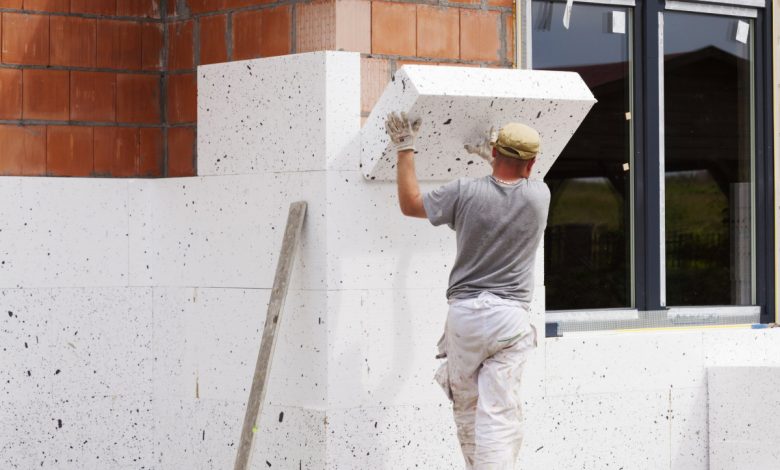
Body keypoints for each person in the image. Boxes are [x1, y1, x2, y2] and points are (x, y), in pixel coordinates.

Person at [385, 112, 551, 469]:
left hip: (465, 319)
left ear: (494, 153)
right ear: (532, 164)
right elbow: (516, 179)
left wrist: (405, 148)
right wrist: (490, 153)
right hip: (509, 320)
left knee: (468, 410)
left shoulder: (463, 193)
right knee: (500, 415)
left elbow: (410, 204)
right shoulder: (540, 196)